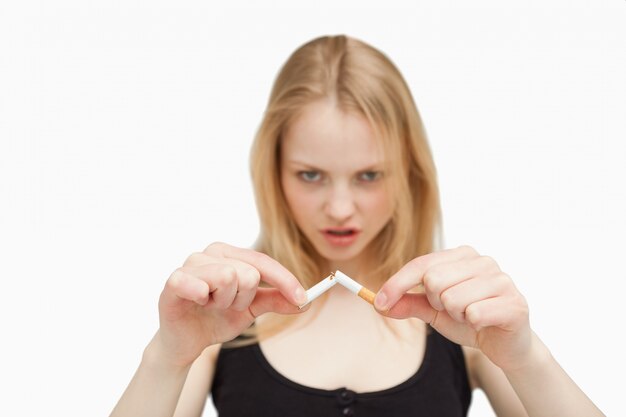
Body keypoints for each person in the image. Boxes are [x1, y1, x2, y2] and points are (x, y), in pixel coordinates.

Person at [110, 35, 604, 417]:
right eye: (311, 175)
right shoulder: (223, 322)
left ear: (408, 171)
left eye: (369, 175)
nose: (340, 208)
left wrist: (526, 356)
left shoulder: (460, 324)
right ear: (273, 171)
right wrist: (166, 356)